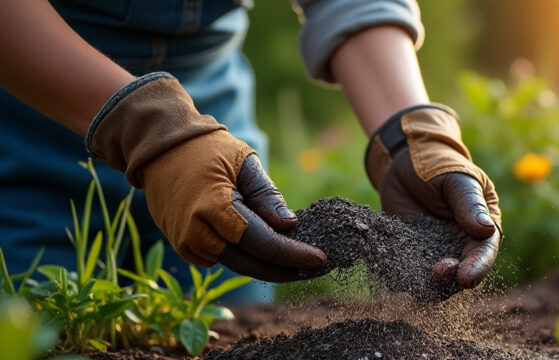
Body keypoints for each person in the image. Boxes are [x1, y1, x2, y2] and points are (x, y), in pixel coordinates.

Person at [0, 0, 501, 302]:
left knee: (226, 351)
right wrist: (150, 129)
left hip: (214, 139)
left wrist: (409, 134)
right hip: (31, 127)